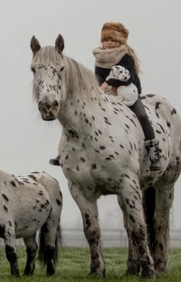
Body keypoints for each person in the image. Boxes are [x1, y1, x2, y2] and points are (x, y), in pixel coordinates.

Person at [49, 22, 161, 171]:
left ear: (120, 42)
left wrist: (108, 83)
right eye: (106, 39)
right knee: (79, 113)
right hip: (106, 93)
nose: (109, 43)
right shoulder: (100, 57)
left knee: (141, 114)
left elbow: (127, 76)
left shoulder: (126, 56)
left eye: (113, 40)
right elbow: (98, 76)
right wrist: (96, 87)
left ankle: (154, 150)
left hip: (127, 92)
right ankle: (64, 152)